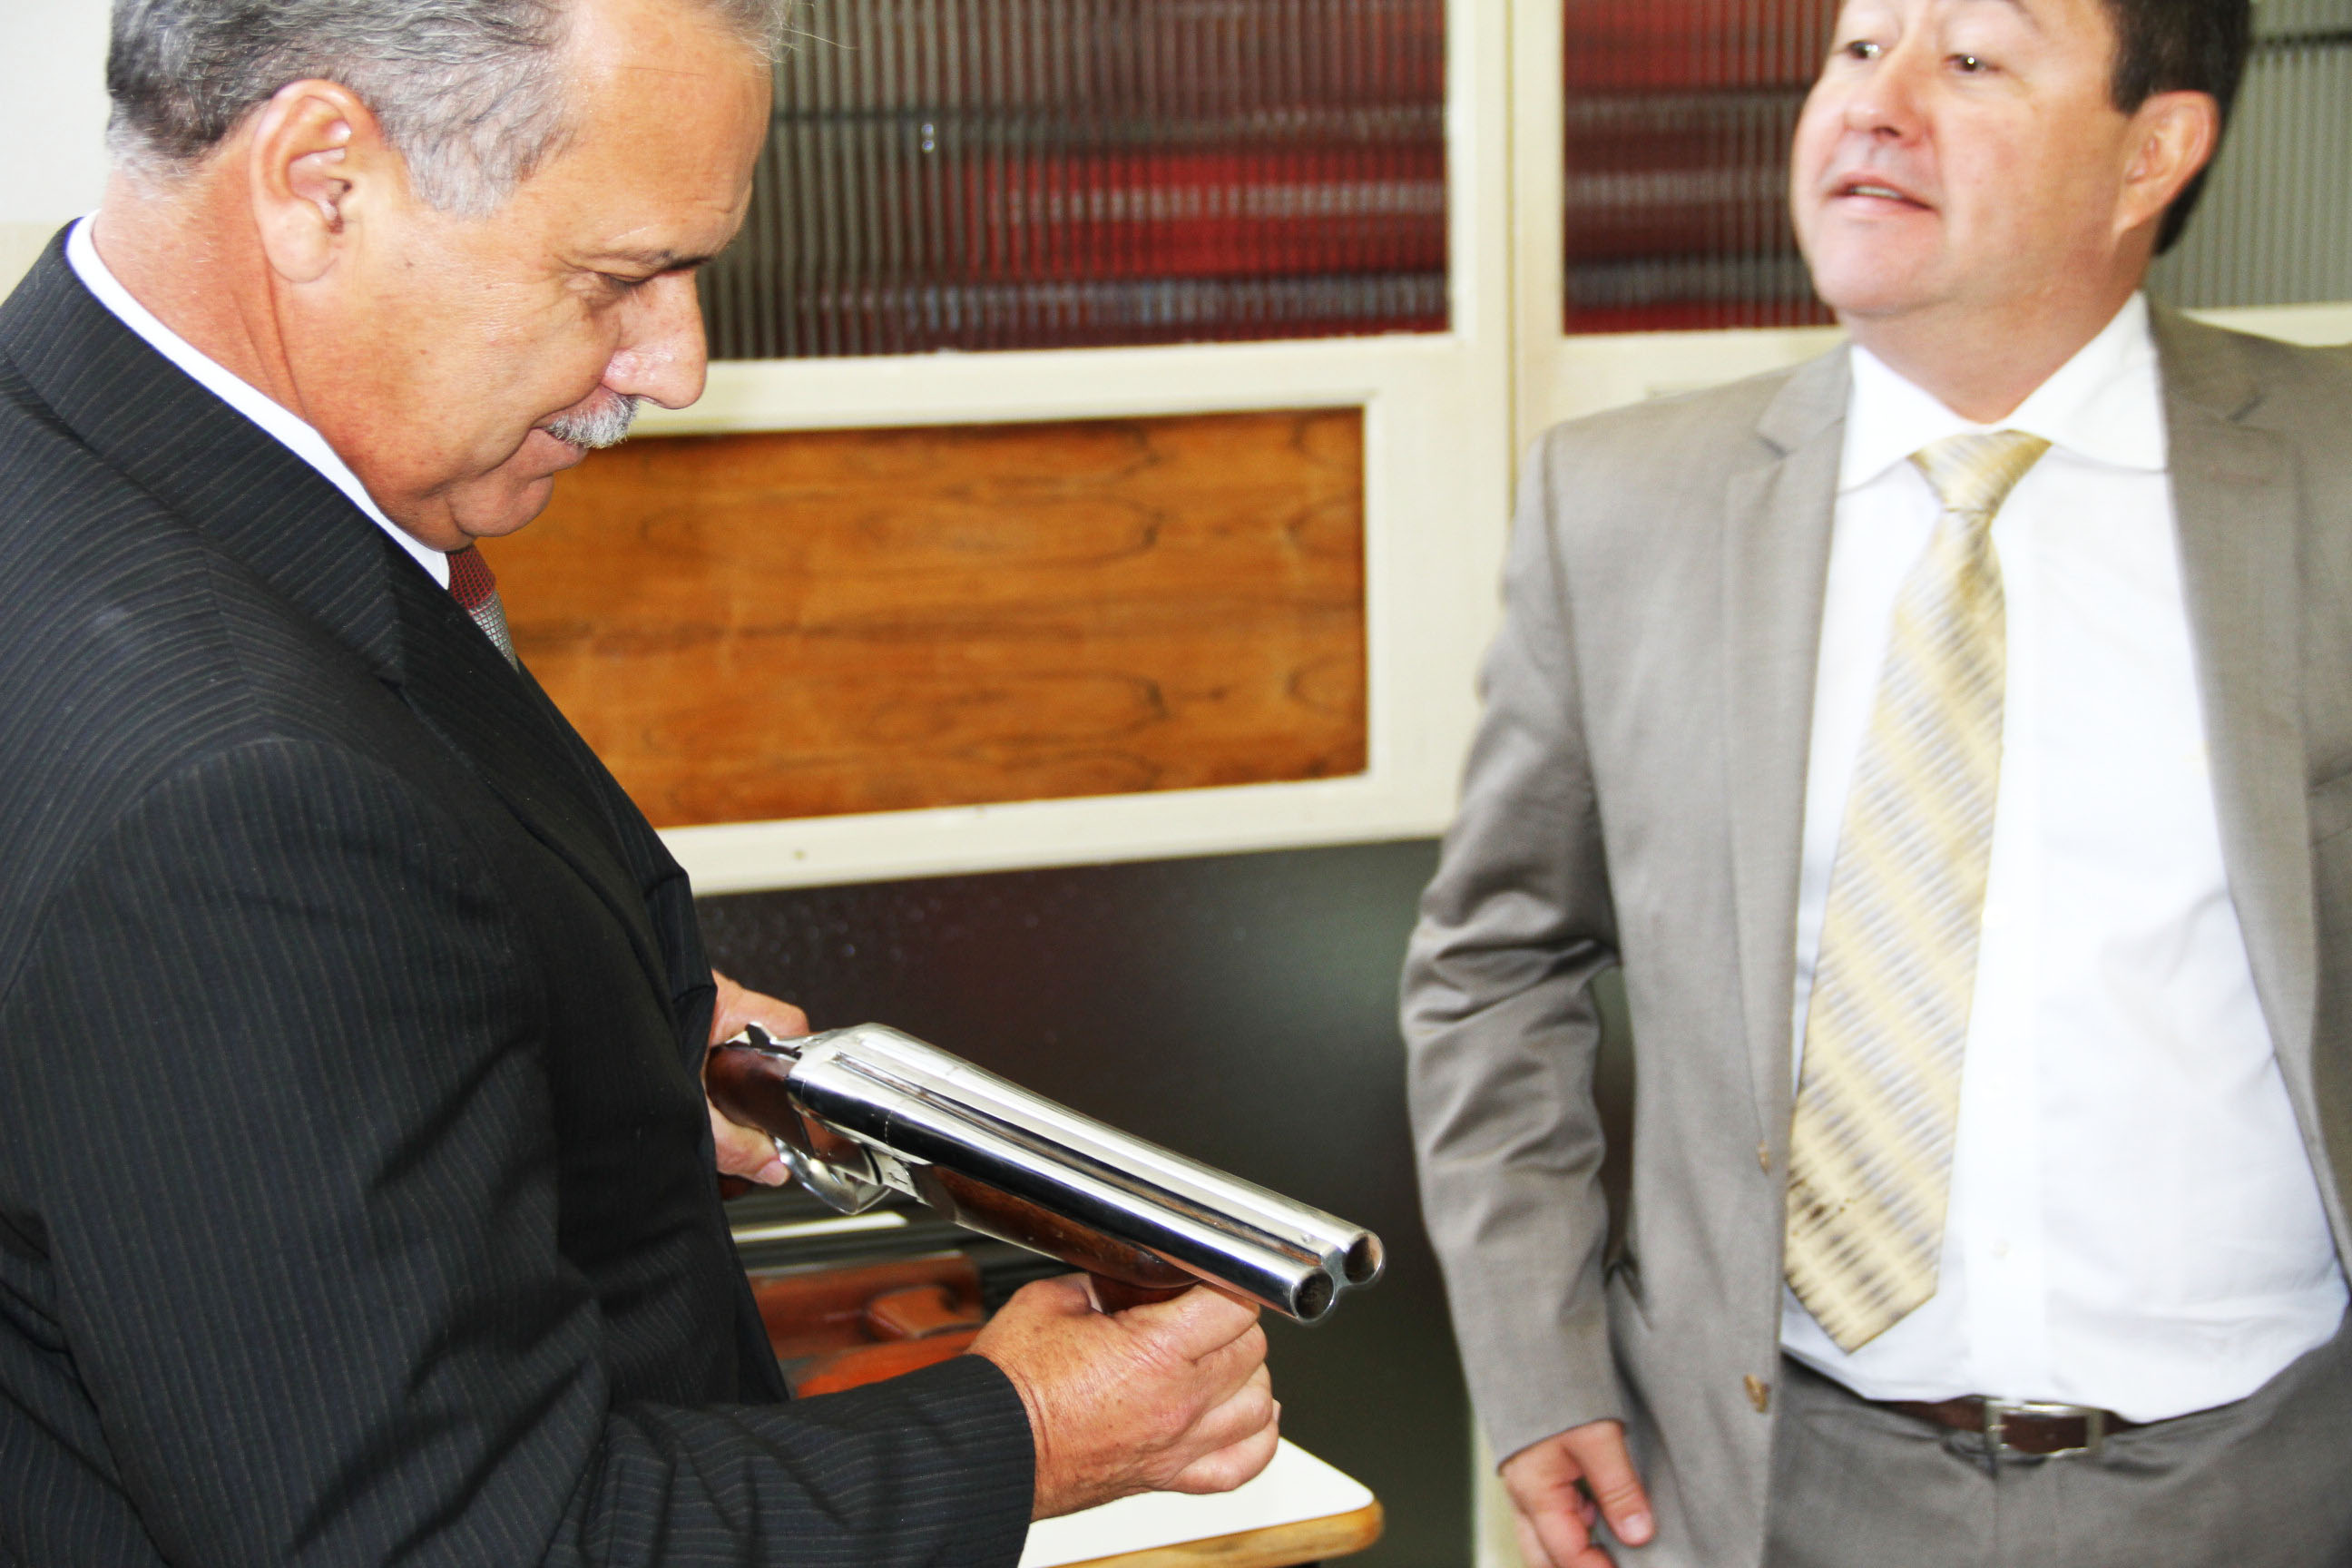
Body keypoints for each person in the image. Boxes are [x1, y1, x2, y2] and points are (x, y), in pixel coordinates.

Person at [0, 1, 1278, 1563]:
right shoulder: (244, 800)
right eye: (619, 278)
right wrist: (1028, 1435)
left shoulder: (69, 460)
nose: (674, 366)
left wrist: (576, 1052)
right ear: (322, 181)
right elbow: (451, 1541)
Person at [1403, 0, 2352, 1562]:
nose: (1875, 104)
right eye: (1858, 47)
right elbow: (1497, 963)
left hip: (2269, 1478)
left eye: (1971, 60)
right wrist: (1537, 1352)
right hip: (1774, 1482)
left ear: (2153, 153)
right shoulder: (1628, 504)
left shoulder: (2326, 473)